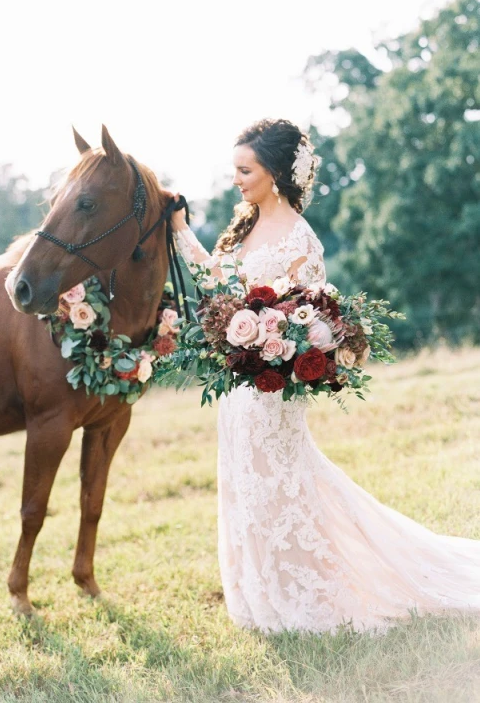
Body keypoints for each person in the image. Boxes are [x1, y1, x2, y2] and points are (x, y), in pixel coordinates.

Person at [170, 117, 480, 635]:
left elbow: (308, 319)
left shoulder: (301, 239)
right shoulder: (244, 225)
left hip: (272, 391)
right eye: (235, 170)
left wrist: (275, 343)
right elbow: (215, 282)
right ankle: (261, 592)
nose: (237, 180)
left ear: (272, 171)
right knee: (246, 484)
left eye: (244, 170)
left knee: (283, 487)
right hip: (238, 388)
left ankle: (307, 595)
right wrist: (180, 229)